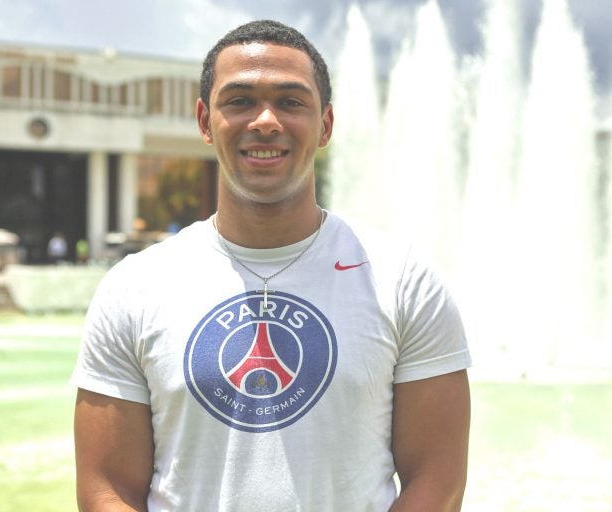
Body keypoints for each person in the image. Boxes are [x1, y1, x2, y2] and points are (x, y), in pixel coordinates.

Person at [72, 20, 471, 511]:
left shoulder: (405, 280)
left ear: (325, 125)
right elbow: (105, 488)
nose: (265, 120)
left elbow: (438, 480)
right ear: (204, 121)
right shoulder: (133, 287)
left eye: (290, 101)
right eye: (239, 101)